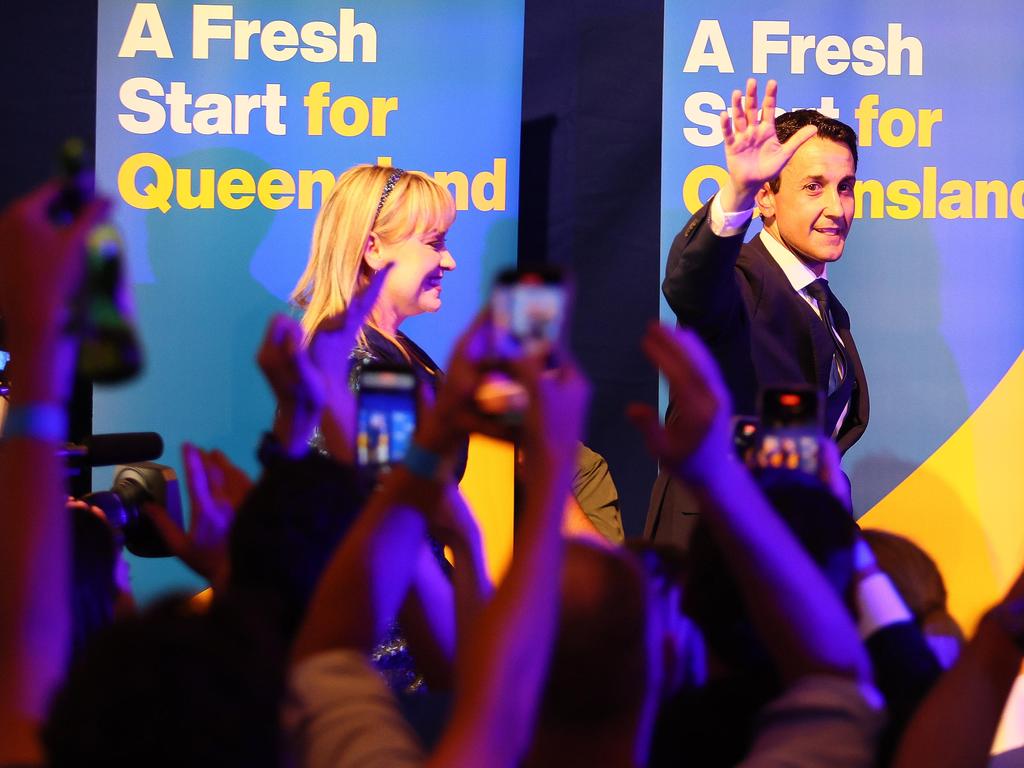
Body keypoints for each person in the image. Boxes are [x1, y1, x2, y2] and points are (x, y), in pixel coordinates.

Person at [645, 78, 869, 550]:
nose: (836, 208)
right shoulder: (741, 279)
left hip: (795, 549)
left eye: (845, 187)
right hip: (714, 552)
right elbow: (690, 286)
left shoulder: (828, 308)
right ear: (766, 197)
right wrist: (736, 194)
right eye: (814, 187)